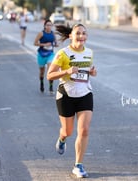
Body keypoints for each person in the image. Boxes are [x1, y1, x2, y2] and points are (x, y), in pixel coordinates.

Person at [47, 23, 97, 178]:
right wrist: (67, 71)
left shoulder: (89, 52)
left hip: (85, 94)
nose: (81, 36)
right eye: (78, 33)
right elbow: (50, 75)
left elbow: (87, 72)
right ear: (71, 36)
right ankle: (62, 138)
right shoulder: (63, 53)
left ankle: (78, 165)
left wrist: (93, 72)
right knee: (68, 131)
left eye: (84, 33)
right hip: (66, 96)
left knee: (84, 130)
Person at [34, 20, 58, 93]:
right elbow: (35, 43)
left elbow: (55, 43)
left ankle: (51, 86)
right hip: (41, 54)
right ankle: (42, 83)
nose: (49, 26)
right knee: (42, 72)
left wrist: (55, 44)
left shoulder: (53, 34)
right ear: (44, 26)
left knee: (50, 69)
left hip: (50, 54)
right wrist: (44, 45)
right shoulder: (41, 33)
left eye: (50, 25)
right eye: (47, 25)